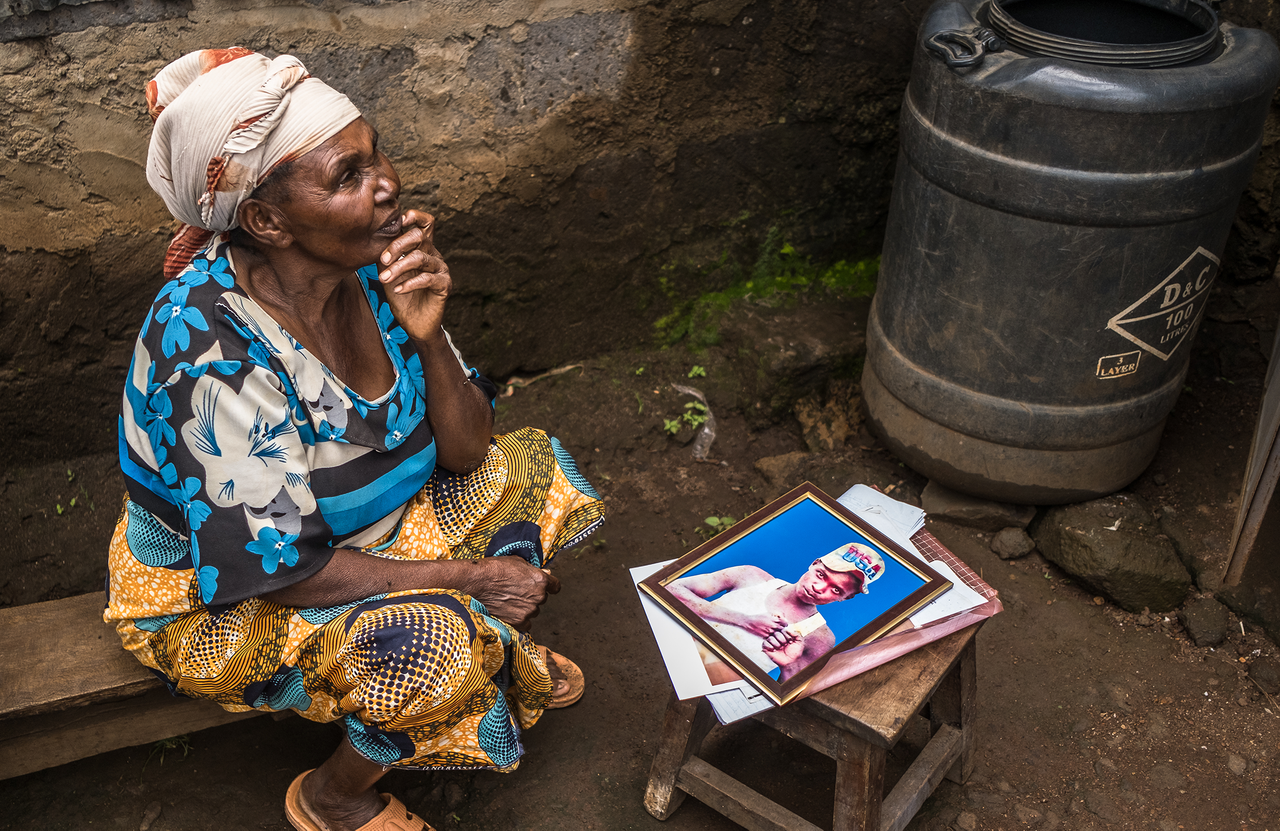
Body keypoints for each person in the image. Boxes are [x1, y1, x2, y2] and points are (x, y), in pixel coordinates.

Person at [104, 48, 604, 831]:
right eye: (348, 175)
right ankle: (334, 796)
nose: (388, 184)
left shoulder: (368, 265)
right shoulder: (211, 348)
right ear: (267, 221)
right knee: (430, 645)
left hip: (365, 531)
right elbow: (281, 570)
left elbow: (469, 450)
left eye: (377, 155)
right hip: (224, 595)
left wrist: (429, 334)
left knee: (533, 464)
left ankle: (486, 638)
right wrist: (473, 580)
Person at [667, 542, 885, 683]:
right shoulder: (751, 576)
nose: (819, 588)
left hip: (706, 688)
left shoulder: (821, 638)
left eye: (836, 589)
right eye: (821, 575)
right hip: (670, 647)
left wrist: (788, 665)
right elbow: (671, 589)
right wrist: (743, 620)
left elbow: (787, 694)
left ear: (845, 598)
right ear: (814, 563)